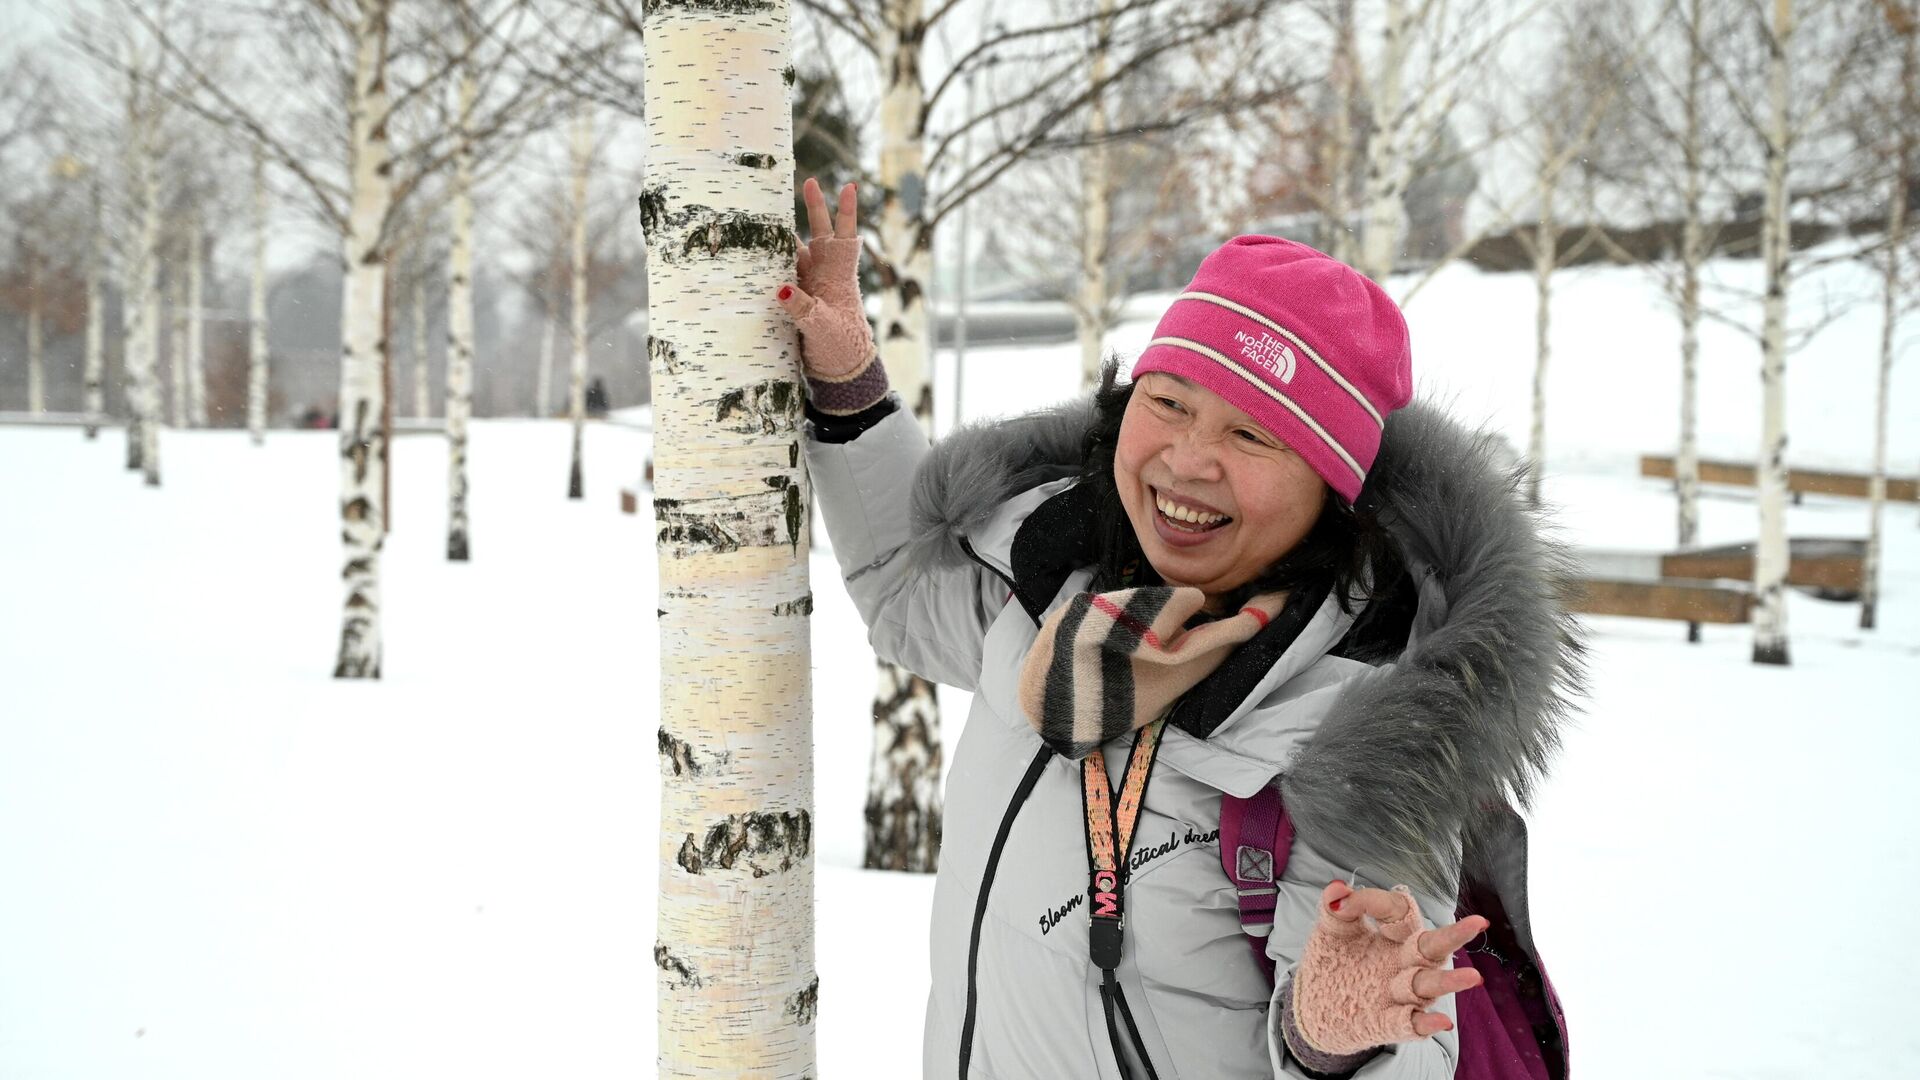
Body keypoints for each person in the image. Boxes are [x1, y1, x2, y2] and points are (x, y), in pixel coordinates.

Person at [779, 177, 1580, 1080]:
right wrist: (850, 382)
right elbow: (903, 598)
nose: (1189, 462)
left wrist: (1333, 1039)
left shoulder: (1362, 732)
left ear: (1331, 489)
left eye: (1255, 437)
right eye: (1169, 403)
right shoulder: (1053, 586)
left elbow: (1407, 1030)